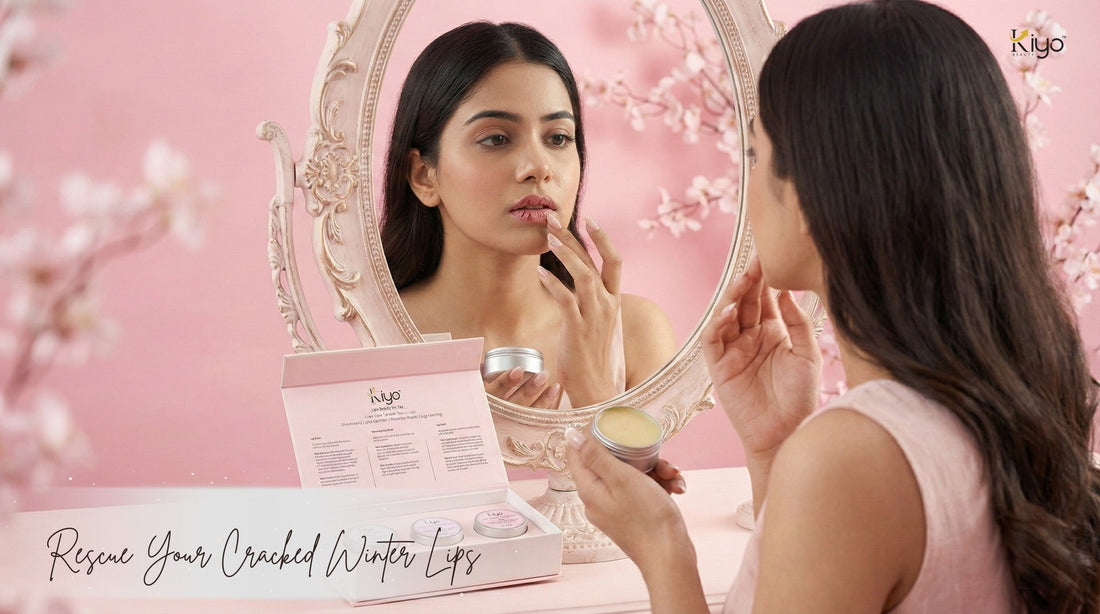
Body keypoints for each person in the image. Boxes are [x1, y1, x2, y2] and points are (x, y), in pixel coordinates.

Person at [565, 0, 1100, 612]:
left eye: (754, 155)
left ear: (814, 191)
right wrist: (774, 449)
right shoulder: (1012, 403)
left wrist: (662, 547)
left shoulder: (852, 458)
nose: (747, 184)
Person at [380, 21, 677, 409]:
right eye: (496, 139)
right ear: (424, 176)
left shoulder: (636, 334)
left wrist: (595, 393)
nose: (539, 166)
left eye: (558, 138)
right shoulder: (380, 335)